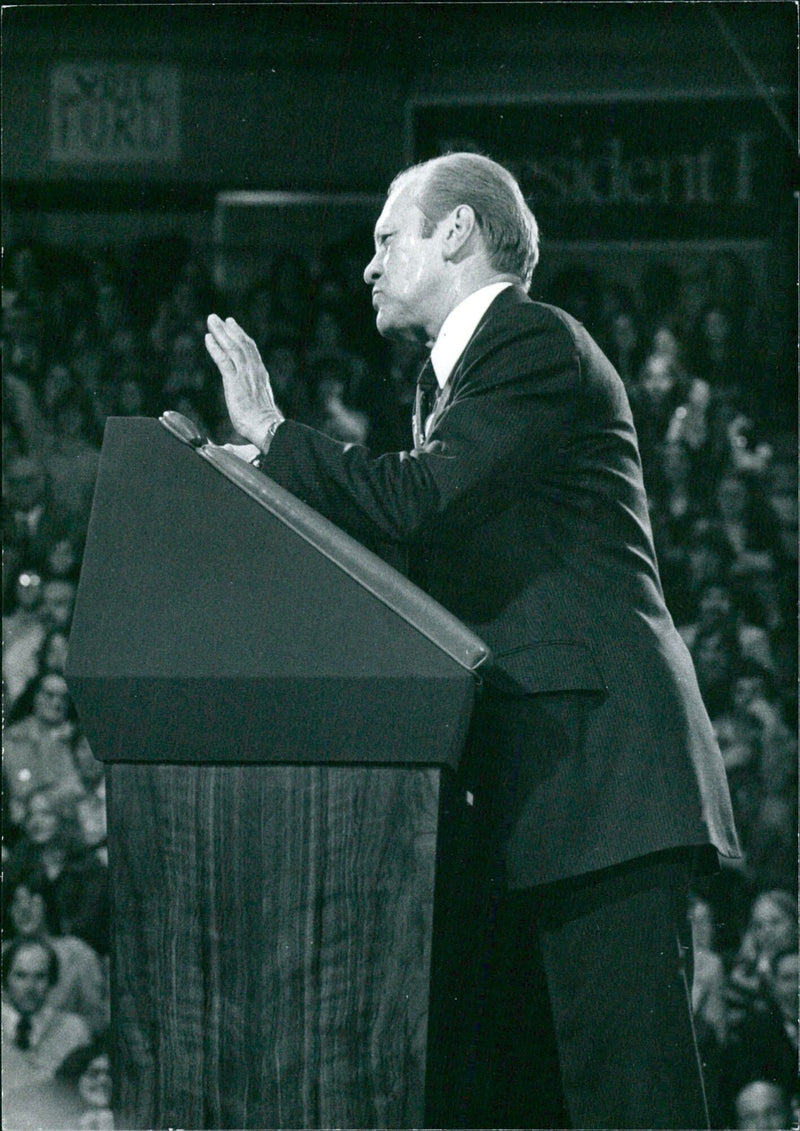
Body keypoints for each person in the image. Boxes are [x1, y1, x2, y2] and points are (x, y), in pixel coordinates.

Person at [204, 152, 739, 1129]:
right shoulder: (446, 386)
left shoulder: (529, 344)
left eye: (384, 238)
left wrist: (280, 439)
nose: (365, 266)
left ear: (455, 232)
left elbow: (420, 502)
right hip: (533, 802)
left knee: (630, 1105)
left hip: (600, 791)